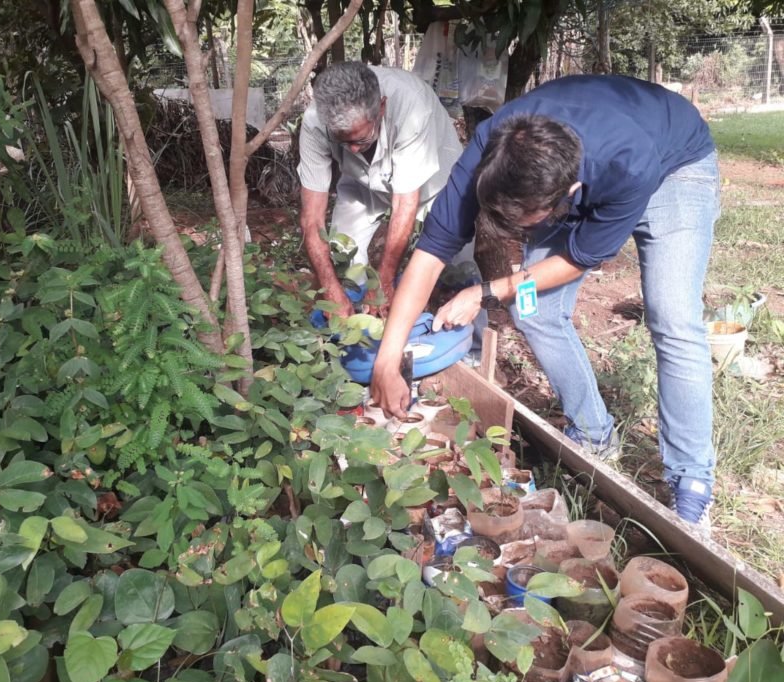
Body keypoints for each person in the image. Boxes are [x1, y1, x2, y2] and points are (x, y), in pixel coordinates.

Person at [370, 75, 720, 527]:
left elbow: (578, 258)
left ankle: (692, 480)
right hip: (569, 166)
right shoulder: (490, 151)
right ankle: (594, 434)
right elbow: (431, 252)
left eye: (525, 224)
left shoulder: (628, 164)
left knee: (672, 320)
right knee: (535, 312)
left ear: (568, 197)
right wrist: (386, 359)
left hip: (675, 164)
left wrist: (486, 290)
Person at [297, 61, 472, 317]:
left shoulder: (411, 105)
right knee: (343, 256)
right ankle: (353, 330)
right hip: (361, 181)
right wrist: (330, 287)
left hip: (433, 180)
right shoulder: (315, 122)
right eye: (343, 142)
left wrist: (383, 282)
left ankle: (474, 346)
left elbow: (405, 204)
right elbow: (311, 220)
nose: (354, 150)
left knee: (459, 266)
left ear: (381, 107)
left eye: (361, 139)